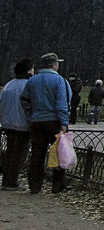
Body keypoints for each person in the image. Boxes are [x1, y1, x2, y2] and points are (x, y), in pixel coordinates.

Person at [20, 53, 71, 194]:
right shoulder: (59, 80)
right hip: (54, 122)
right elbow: (62, 103)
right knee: (59, 153)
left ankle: (35, 186)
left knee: (37, 154)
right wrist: (64, 122)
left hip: (37, 121)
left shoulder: (32, 80)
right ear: (54, 65)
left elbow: (24, 100)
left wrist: (32, 113)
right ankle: (57, 186)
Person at [1, 59, 34, 191]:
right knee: (19, 155)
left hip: (8, 124)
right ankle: (11, 181)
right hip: (22, 124)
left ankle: (6, 179)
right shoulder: (28, 86)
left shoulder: (8, 85)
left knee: (10, 153)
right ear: (28, 71)